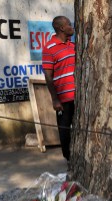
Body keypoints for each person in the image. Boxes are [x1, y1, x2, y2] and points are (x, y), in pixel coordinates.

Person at [42, 16, 76, 163]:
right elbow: (48, 77)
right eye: (69, 24)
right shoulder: (49, 48)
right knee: (64, 131)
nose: (72, 26)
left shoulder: (73, 45)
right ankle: (68, 159)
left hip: (79, 97)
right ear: (61, 28)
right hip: (63, 99)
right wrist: (55, 99)